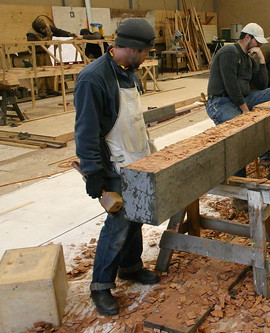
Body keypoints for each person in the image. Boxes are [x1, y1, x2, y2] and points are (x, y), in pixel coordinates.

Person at [74, 18, 160, 316]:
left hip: (136, 158)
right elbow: (86, 131)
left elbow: (133, 119)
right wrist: (93, 172)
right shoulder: (93, 78)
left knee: (136, 215)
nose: (147, 57)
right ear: (134, 49)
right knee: (119, 223)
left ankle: (131, 267)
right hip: (112, 162)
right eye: (146, 52)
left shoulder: (128, 72)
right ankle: (100, 285)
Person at [206, 22, 270, 176]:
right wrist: (245, 110)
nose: (260, 45)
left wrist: (261, 60)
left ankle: (267, 151)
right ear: (247, 37)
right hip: (221, 102)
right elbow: (231, 85)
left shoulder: (248, 58)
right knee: (240, 130)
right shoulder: (229, 52)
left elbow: (262, 85)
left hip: (244, 98)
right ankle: (239, 183)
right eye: (258, 42)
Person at [26, 15, 82, 97]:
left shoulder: (48, 27)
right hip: (37, 53)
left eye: (45, 28)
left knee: (50, 70)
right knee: (40, 71)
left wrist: (69, 34)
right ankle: (42, 91)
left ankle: (51, 89)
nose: (45, 30)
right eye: (43, 29)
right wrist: (47, 39)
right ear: (38, 29)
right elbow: (36, 46)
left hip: (46, 52)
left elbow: (59, 32)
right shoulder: (31, 34)